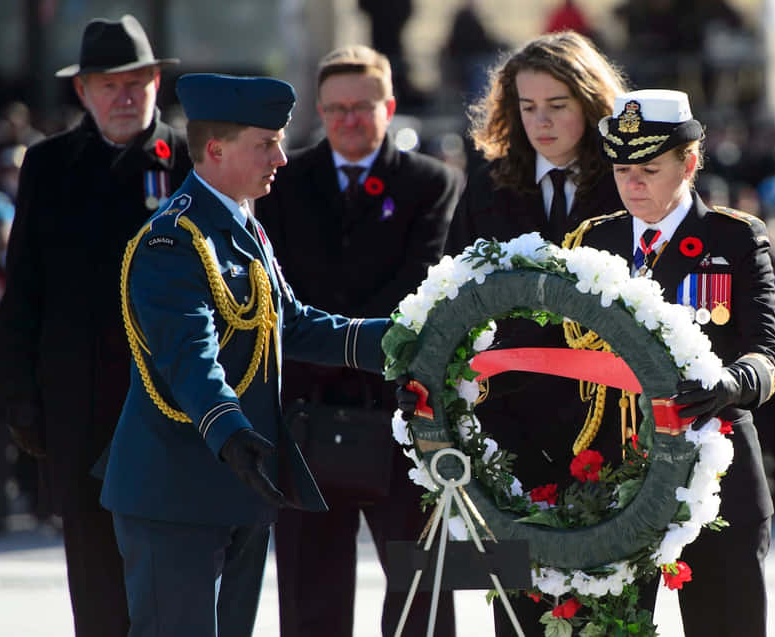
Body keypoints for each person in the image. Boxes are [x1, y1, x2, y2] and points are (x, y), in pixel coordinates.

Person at [97, 73, 392, 637]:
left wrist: (401, 339)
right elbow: (189, 353)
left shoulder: (240, 224)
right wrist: (229, 431)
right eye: (266, 143)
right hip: (177, 489)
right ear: (215, 150)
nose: (282, 157)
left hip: (240, 482)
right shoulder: (173, 239)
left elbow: (294, 324)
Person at [255, 44, 461, 637]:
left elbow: (418, 288)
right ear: (318, 110)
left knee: (421, 590)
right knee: (309, 591)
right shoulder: (282, 182)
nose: (348, 120)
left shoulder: (432, 183)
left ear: (389, 105)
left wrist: (335, 338)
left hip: (401, 415)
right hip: (304, 419)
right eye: (336, 108)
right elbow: (278, 288)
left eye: (362, 106)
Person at [0, 15, 189, 635]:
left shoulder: (194, 160)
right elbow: (24, 287)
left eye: (137, 81)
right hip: (80, 408)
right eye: (108, 83)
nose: (125, 95)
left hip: (176, 406)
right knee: (97, 579)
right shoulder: (50, 164)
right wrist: (21, 398)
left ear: (157, 82)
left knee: (177, 579)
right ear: (83, 91)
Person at [579, 89, 775, 636]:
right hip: (615, 471)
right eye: (623, 168)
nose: (633, 183)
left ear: (689, 162)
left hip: (712, 470)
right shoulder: (593, 240)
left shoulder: (733, 237)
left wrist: (730, 382)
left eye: (650, 167)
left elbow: (770, 352)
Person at [443, 30, 628, 635]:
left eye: (557, 106)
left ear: (591, 104)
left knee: (607, 608)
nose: (541, 123)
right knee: (517, 611)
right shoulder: (489, 182)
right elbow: (453, 291)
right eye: (527, 108)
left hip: (607, 421)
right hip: (508, 422)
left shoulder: (627, 183)